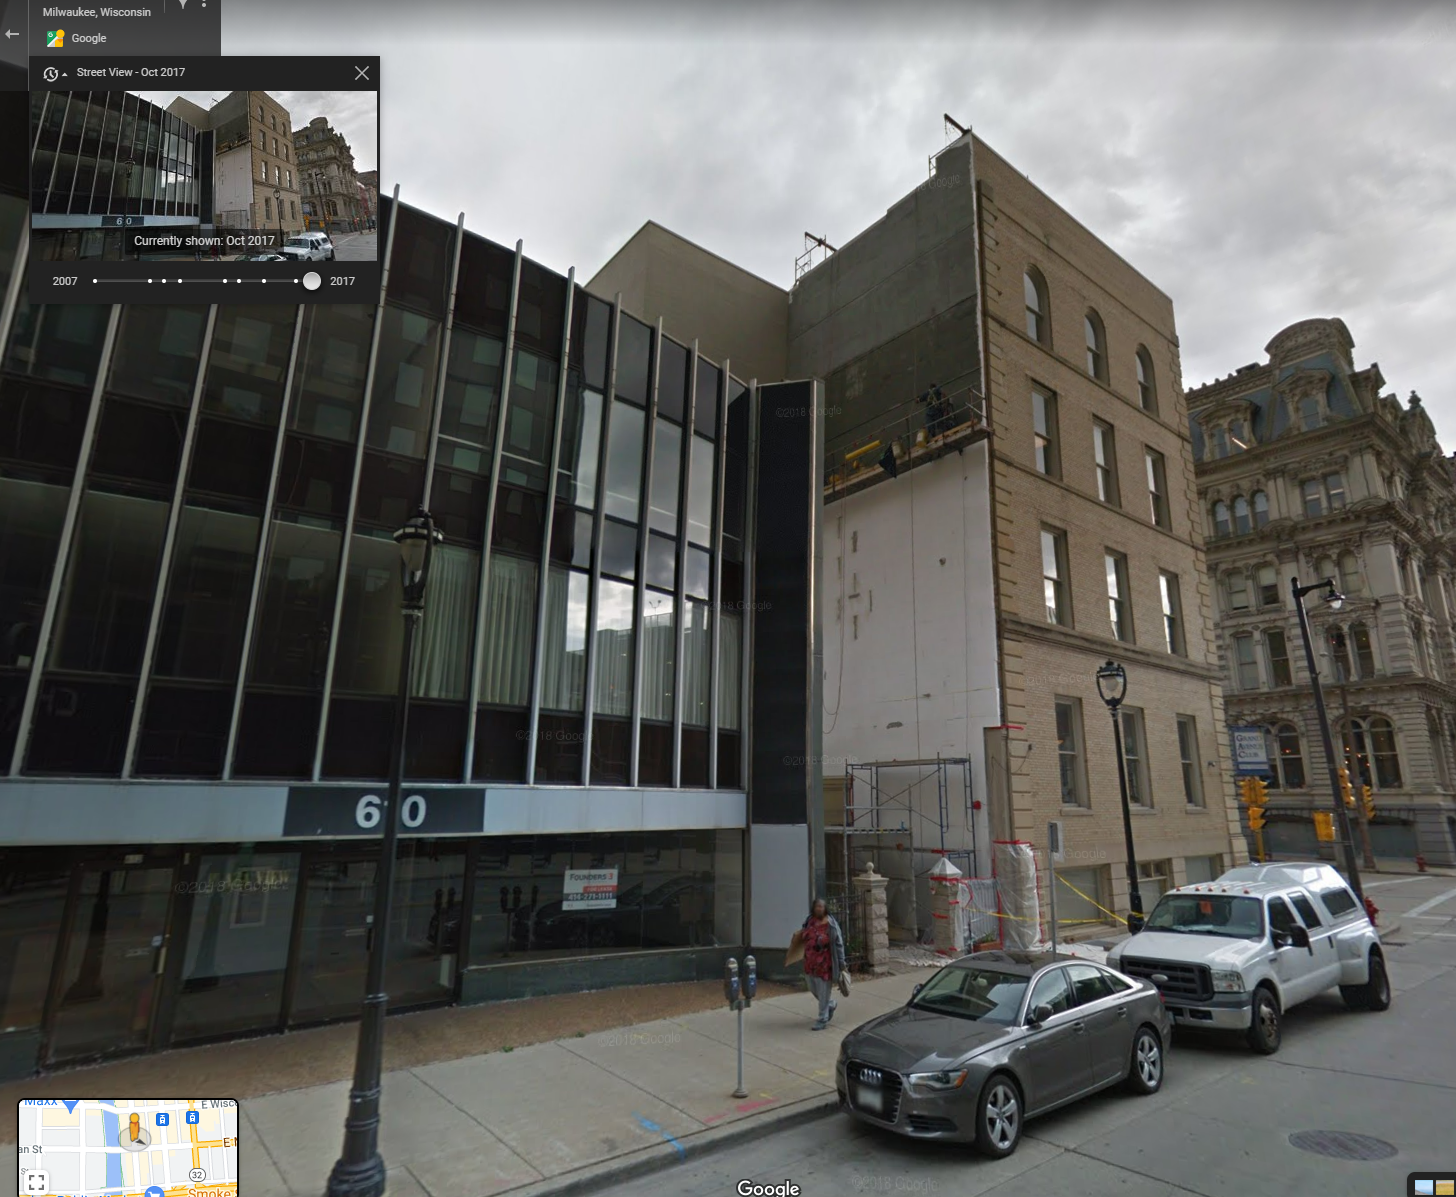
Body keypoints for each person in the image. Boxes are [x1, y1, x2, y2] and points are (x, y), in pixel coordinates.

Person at [799, 897, 846, 1030]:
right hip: (810, 963)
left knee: (823, 991)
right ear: (813, 908)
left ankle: (822, 1019)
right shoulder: (809, 920)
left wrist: (841, 962)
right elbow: (803, 936)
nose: (819, 909)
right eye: (817, 906)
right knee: (813, 988)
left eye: (821, 906)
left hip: (825, 964)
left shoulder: (831, 924)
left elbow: (839, 943)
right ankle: (830, 1004)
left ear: (825, 909)